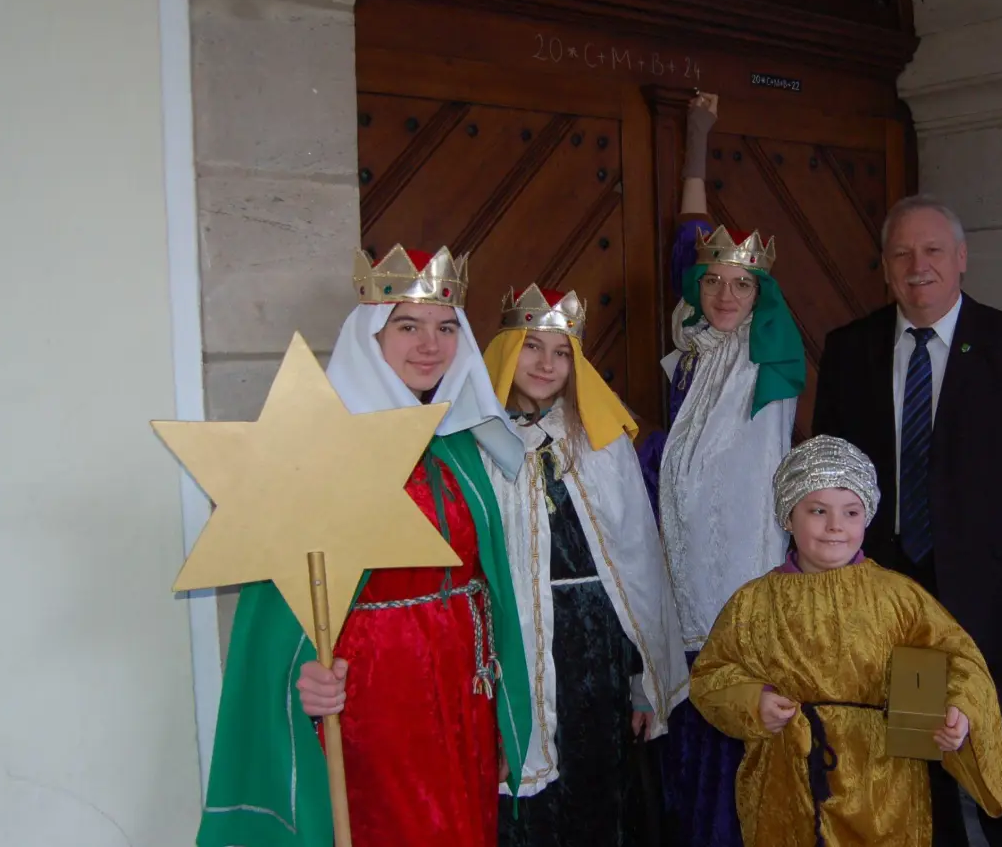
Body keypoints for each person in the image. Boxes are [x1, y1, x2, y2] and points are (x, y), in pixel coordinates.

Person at [194, 244, 533, 847]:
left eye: (446, 328)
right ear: (371, 336)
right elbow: (280, 607)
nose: (430, 345)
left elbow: (492, 584)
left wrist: (502, 710)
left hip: (464, 688)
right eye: (408, 326)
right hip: (374, 692)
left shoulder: (458, 442)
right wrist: (302, 675)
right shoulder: (324, 447)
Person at [810, 195, 1002, 847]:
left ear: (962, 258)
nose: (918, 266)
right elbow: (828, 479)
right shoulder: (851, 349)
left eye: (933, 250)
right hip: (898, 598)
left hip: (990, 602)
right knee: (921, 757)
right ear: (885, 266)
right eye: (901, 253)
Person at [690, 435, 1002, 847]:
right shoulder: (752, 604)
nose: (835, 526)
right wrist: (754, 700)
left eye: (851, 512)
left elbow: (960, 660)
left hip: (883, 788)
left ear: (867, 516)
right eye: (817, 510)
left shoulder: (899, 597)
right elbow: (710, 675)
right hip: (786, 784)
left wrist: (958, 710)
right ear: (787, 516)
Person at [638, 92, 804, 847]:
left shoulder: (770, 358)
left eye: (742, 283)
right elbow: (688, 240)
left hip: (744, 570)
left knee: (738, 706)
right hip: (680, 561)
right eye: (713, 282)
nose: (726, 294)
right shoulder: (690, 351)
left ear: (761, 291)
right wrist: (696, 139)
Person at [480, 283, 690, 846]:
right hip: (518, 640)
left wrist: (641, 681)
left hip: (597, 644)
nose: (546, 364)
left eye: (562, 352)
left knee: (599, 782)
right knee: (529, 793)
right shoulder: (475, 441)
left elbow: (638, 563)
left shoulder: (599, 441)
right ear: (506, 349)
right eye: (532, 346)